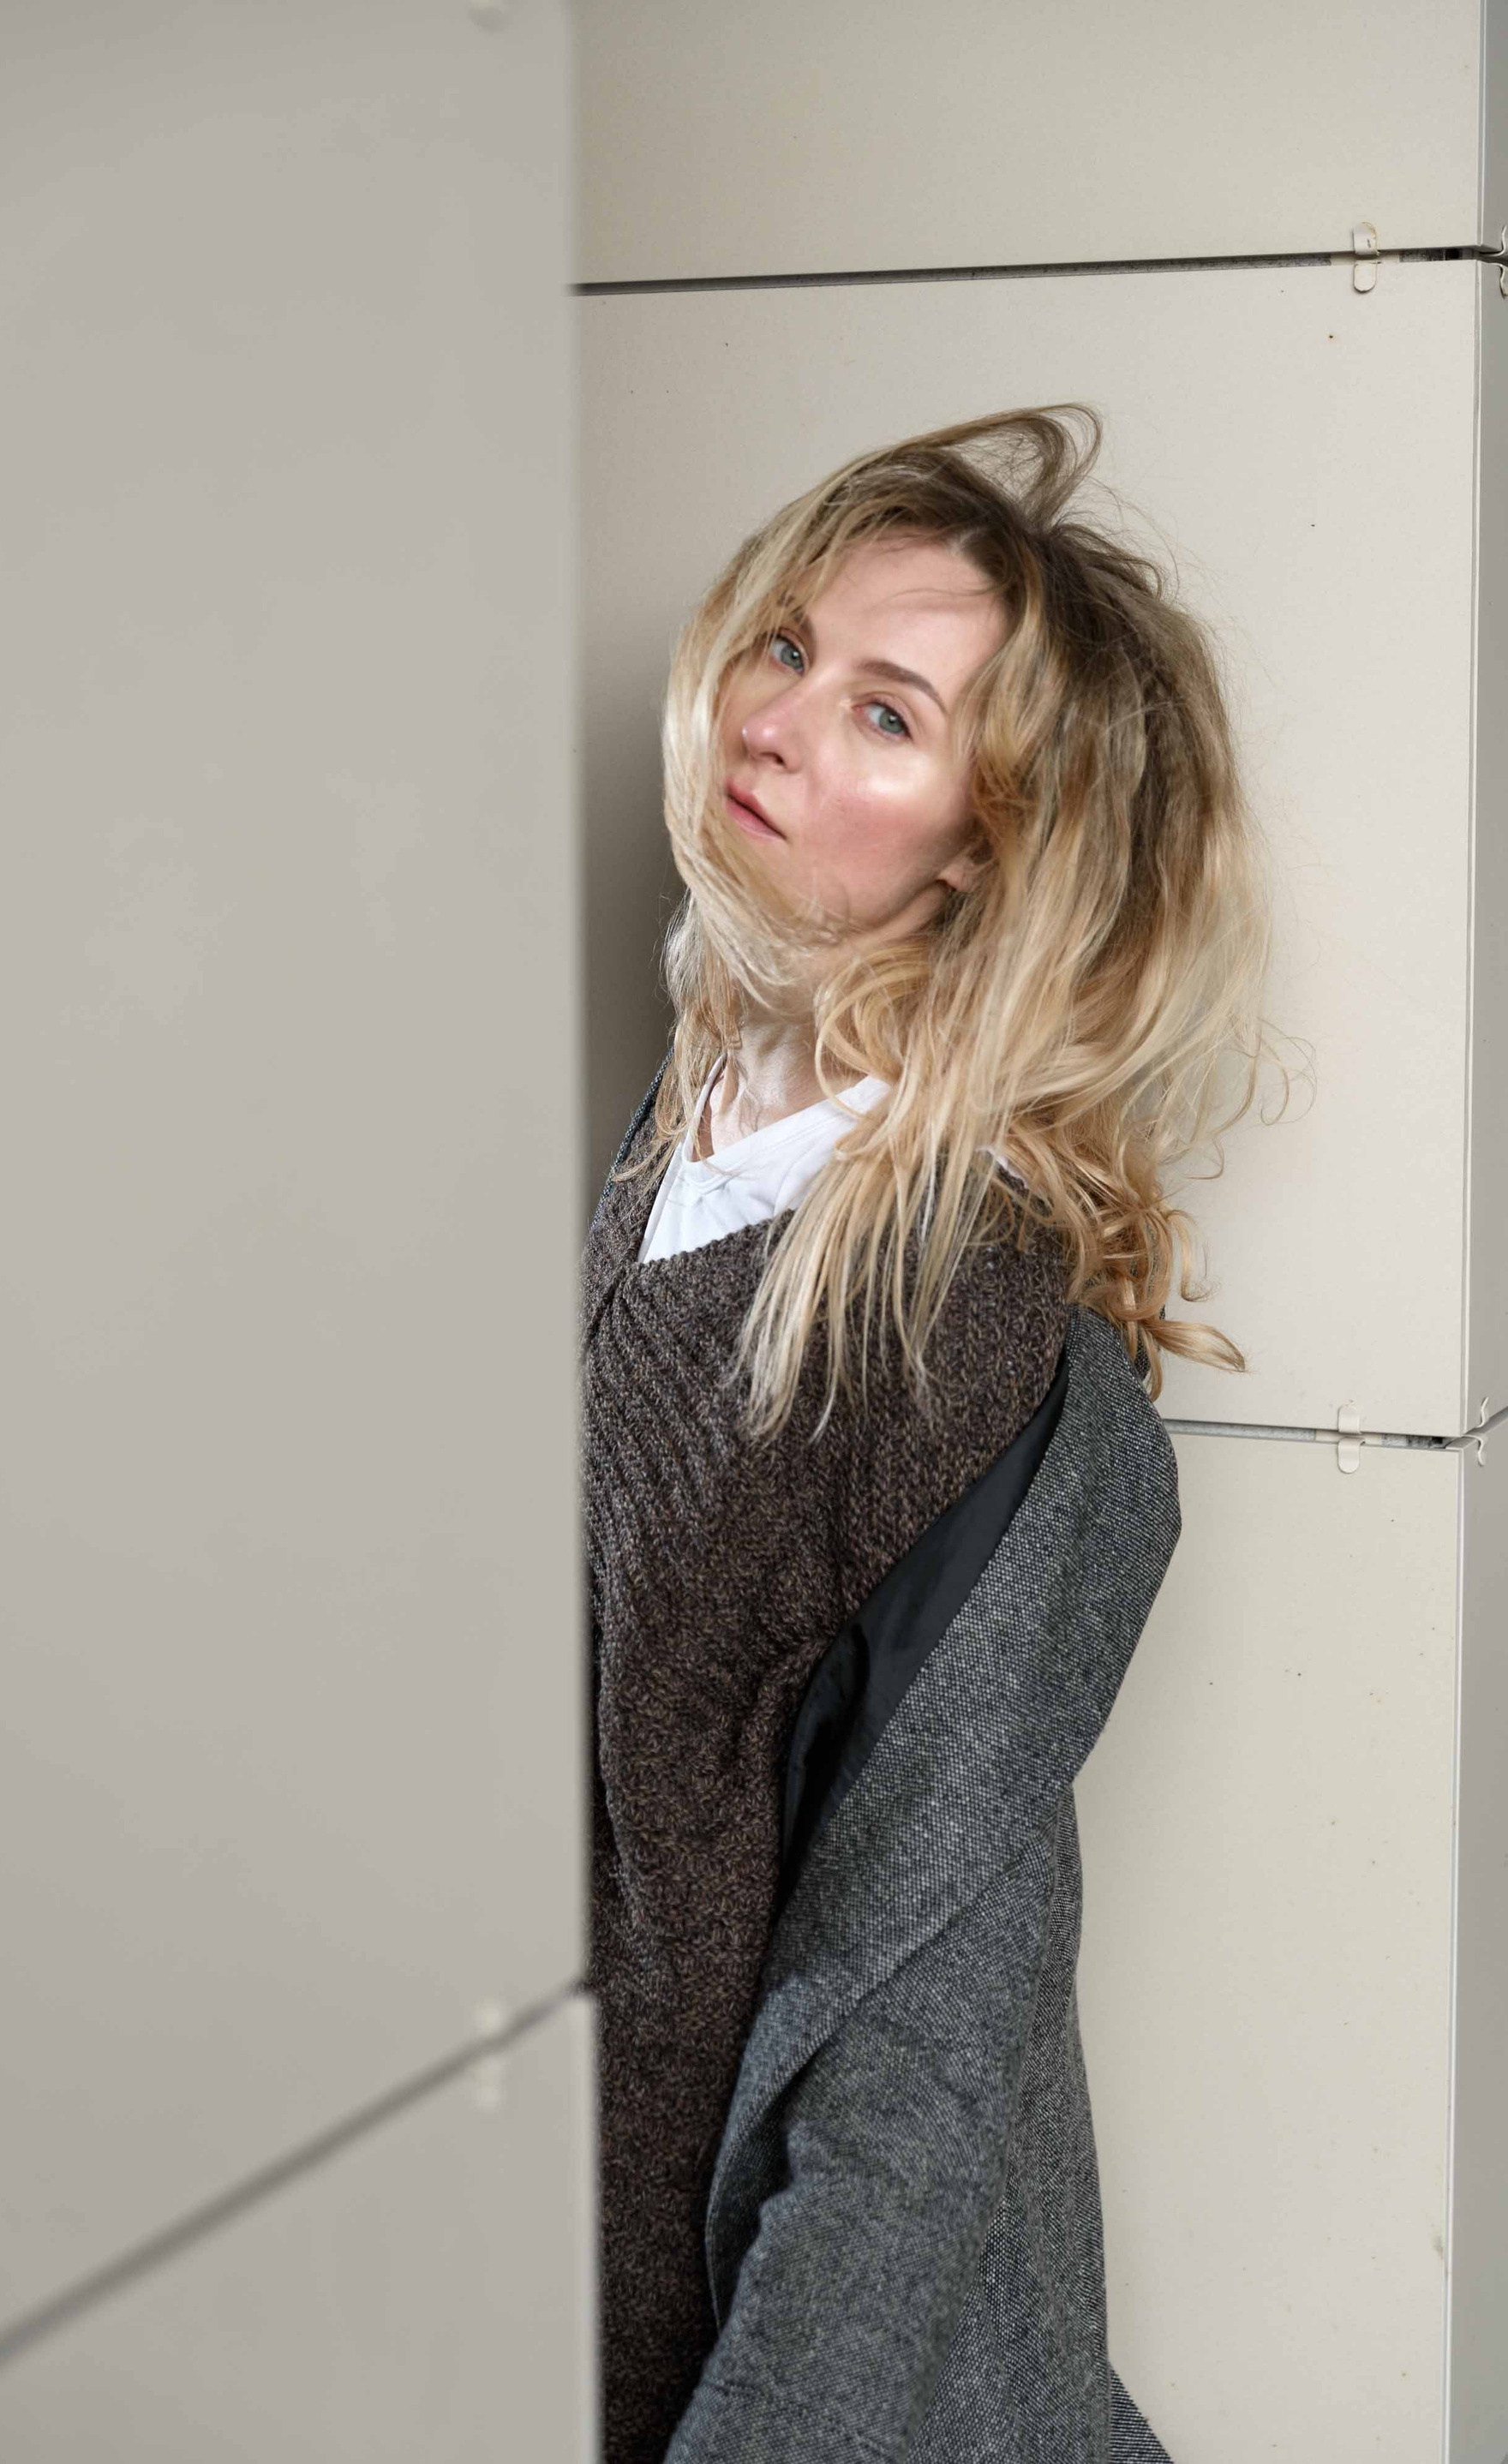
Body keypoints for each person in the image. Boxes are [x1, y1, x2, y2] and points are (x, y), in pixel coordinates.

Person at [580, 407, 1288, 2463]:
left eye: (885, 713)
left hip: (775, 2357)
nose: (777, 720)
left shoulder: (968, 1334)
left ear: (989, 843)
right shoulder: (683, 1136)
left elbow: (923, 2043)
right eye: (787, 647)